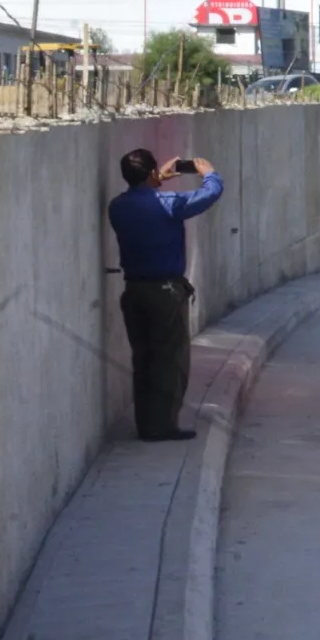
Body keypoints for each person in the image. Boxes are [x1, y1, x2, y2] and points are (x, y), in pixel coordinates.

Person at [108, 148, 225, 441]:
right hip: (166, 293)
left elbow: (142, 200)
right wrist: (209, 173)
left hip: (133, 291)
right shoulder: (169, 203)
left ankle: (145, 424)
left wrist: (156, 178)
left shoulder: (117, 206)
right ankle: (162, 426)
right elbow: (208, 195)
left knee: (143, 359)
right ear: (150, 173)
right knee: (169, 361)